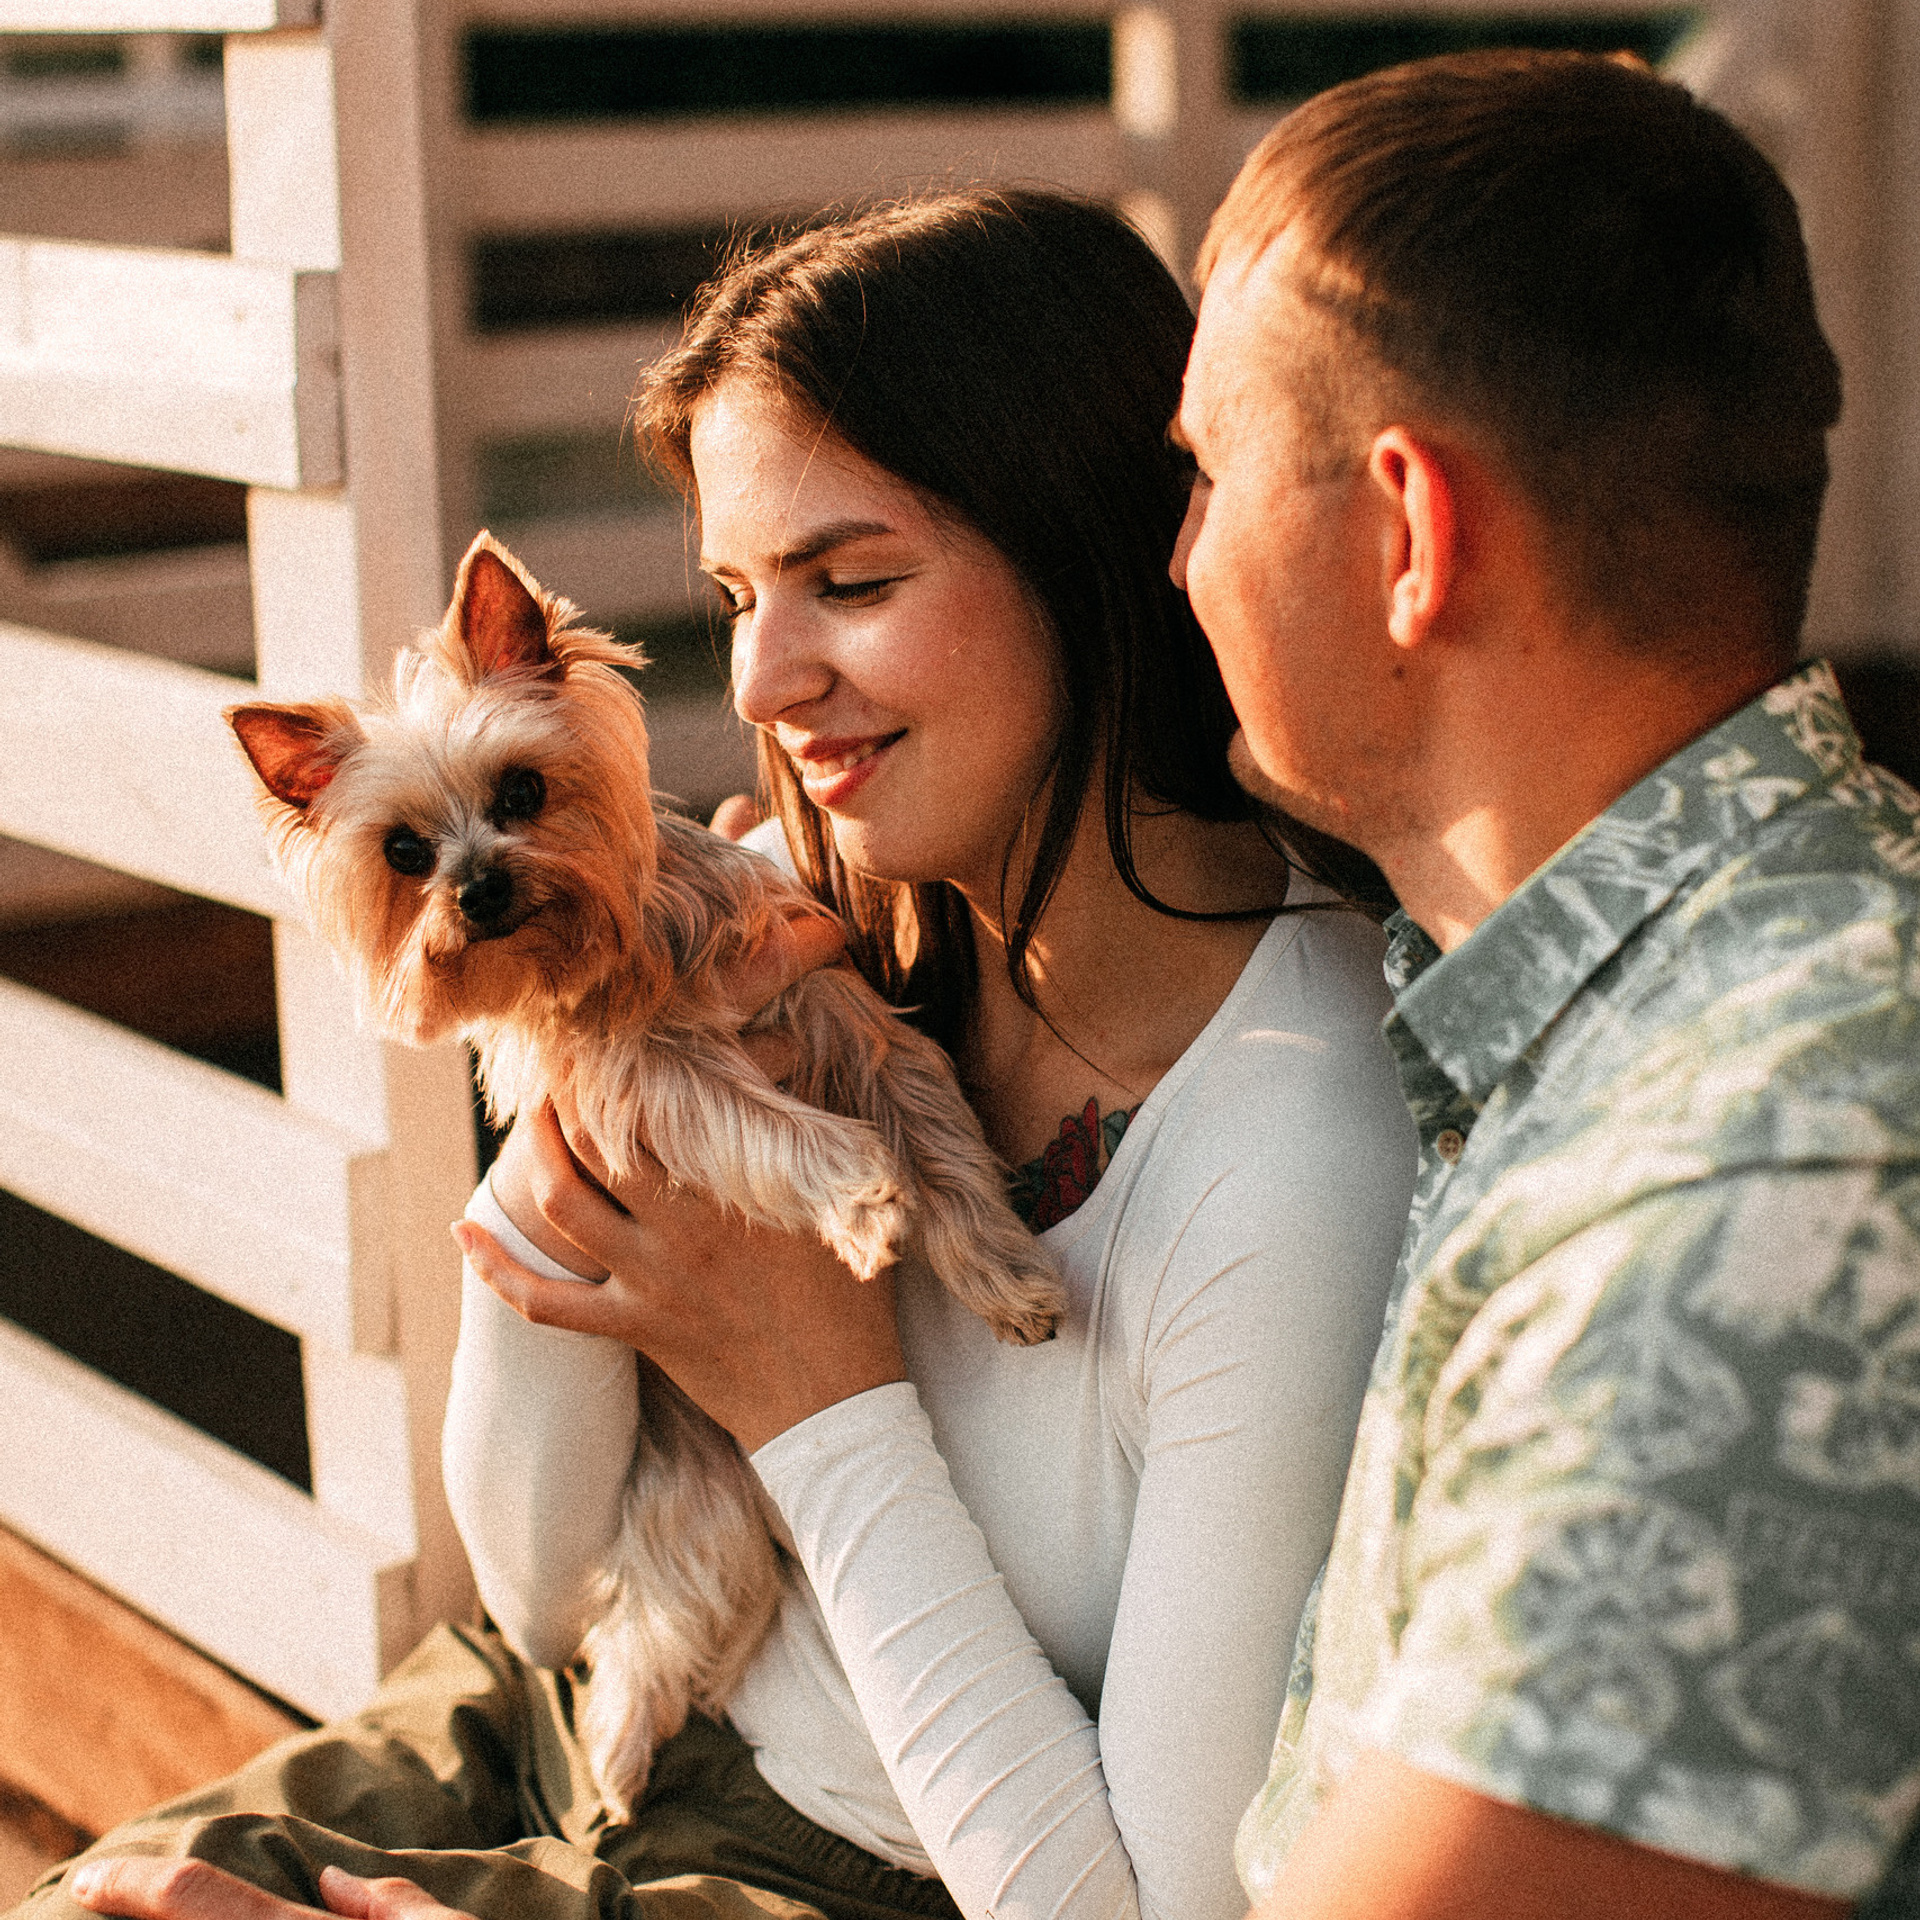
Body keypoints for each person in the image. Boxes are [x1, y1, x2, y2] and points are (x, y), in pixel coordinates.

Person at [25, 189, 1415, 1920]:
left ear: (1092, 546)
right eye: (740, 592)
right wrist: (580, 1126)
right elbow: (531, 1593)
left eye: (852, 581)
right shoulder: (841, 914)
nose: (760, 673)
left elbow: (1134, 1914)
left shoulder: (1298, 1139)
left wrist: (814, 1395)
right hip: (558, 1716)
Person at [1169, 46, 1920, 1920]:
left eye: (1207, 472)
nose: (1177, 560)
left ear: (1411, 533)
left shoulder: (1762, 1193)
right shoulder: (1659, 1006)